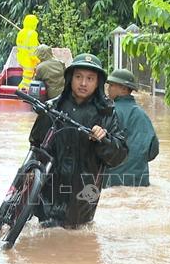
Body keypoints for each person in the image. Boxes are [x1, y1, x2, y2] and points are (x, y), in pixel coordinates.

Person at [29, 53, 128, 228]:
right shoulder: (53, 106)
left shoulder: (106, 113)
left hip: (82, 196)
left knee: (77, 237)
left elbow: (119, 155)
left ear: (98, 82)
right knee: (44, 234)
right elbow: (35, 143)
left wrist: (104, 139)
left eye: (90, 78)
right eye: (78, 77)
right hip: (49, 189)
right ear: (70, 78)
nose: (83, 83)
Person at [103, 69, 159, 187]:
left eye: (112, 85)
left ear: (124, 89)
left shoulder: (108, 112)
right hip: (139, 181)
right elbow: (153, 150)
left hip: (111, 182)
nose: (108, 88)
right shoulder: (142, 115)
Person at [16, 14, 40, 90]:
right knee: (28, 79)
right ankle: (24, 92)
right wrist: (39, 60)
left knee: (25, 78)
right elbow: (32, 52)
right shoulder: (33, 34)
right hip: (29, 61)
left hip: (21, 59)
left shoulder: (21, 33)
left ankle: (21, 90)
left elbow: (19, 46)